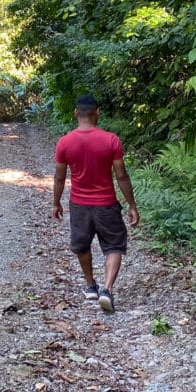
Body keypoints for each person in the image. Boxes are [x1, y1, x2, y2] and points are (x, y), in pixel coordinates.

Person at [51, 94, 139, 313]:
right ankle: (107, 290)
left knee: (82, 245)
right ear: (97, 112)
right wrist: (132, 205)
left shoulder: (64, 142)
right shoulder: (111, 140)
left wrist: (56, 203)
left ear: (76, 113)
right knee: (114, 246)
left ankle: (91, 285)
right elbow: (122, 176)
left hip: (79, 204)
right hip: (107, 204)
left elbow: (60, 177)